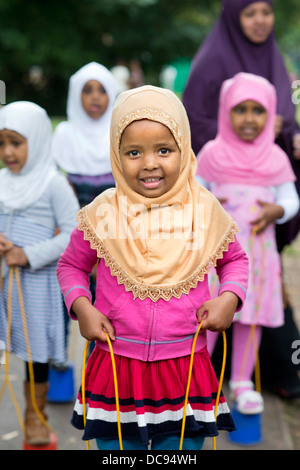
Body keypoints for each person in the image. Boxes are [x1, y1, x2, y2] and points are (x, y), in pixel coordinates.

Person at [57, 85, 249, 451]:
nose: (149, 163)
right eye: (133, 152)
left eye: (164, 150)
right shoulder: (102, 212)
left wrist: (229, 298)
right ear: (116, 154)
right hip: (116, 365)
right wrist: (83, 307)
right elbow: (71, 266)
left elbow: (235, 260)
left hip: (184, 366)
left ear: (184, 148)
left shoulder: (204, 210)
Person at [183, 0, 300, 398]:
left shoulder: (275, 60)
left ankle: (253, 380)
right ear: (234, 16)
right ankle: (201, 381)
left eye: (267, 11)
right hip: (216, 232)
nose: (260, 21)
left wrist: (290, 131)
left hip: (260, 230)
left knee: (257, 306)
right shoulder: (211, 62)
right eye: (250, 12)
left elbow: (286, 105)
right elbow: (194, 125)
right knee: (211, 305)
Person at [196, 73, 299, 414]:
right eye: (241, 110)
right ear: (226, 111)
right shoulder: (212, 153)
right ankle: (198, 379)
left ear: (270, 114)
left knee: (251, 318)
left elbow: (290, 196)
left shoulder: (275, 157)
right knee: (207, 314)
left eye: (258, 110)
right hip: (214, 257)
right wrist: (209, 204)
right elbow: (193, 192)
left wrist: (278, 209)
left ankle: (241, 381)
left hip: (257, 255)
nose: (250, 118)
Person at [0, 101, 80, 445]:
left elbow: (74, 234)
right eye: (1, 142)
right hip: (4, 279)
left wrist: (28, 254)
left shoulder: (53, 184)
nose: (7, 152)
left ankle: (36, 415)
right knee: (8, 342)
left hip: (36, 283)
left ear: (36, 138)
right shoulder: (2, 181)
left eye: (16, 142)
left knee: (34, 350)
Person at [52, 62, 118, 208]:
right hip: (72, 210)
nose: (95, 97)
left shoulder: (119, 131)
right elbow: (51, 173)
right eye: (87, 91)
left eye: (102, 91)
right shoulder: (65, 132)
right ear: (76, 94)